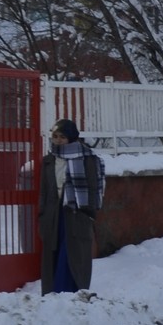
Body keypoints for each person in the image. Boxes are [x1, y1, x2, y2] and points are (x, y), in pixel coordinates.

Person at [39, 117, 104, 293]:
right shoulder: (49, 161)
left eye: (62, 137)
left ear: (72, 138)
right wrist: (43, 215)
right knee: (53, 254)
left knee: (72, 254)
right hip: (54, 215)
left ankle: (69, 292)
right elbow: (44, 191)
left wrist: (88, 212)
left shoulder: (87, 159)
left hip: (76, 214)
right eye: (55, 136)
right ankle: (53, 293)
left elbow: (94, 187)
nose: (58, 140)